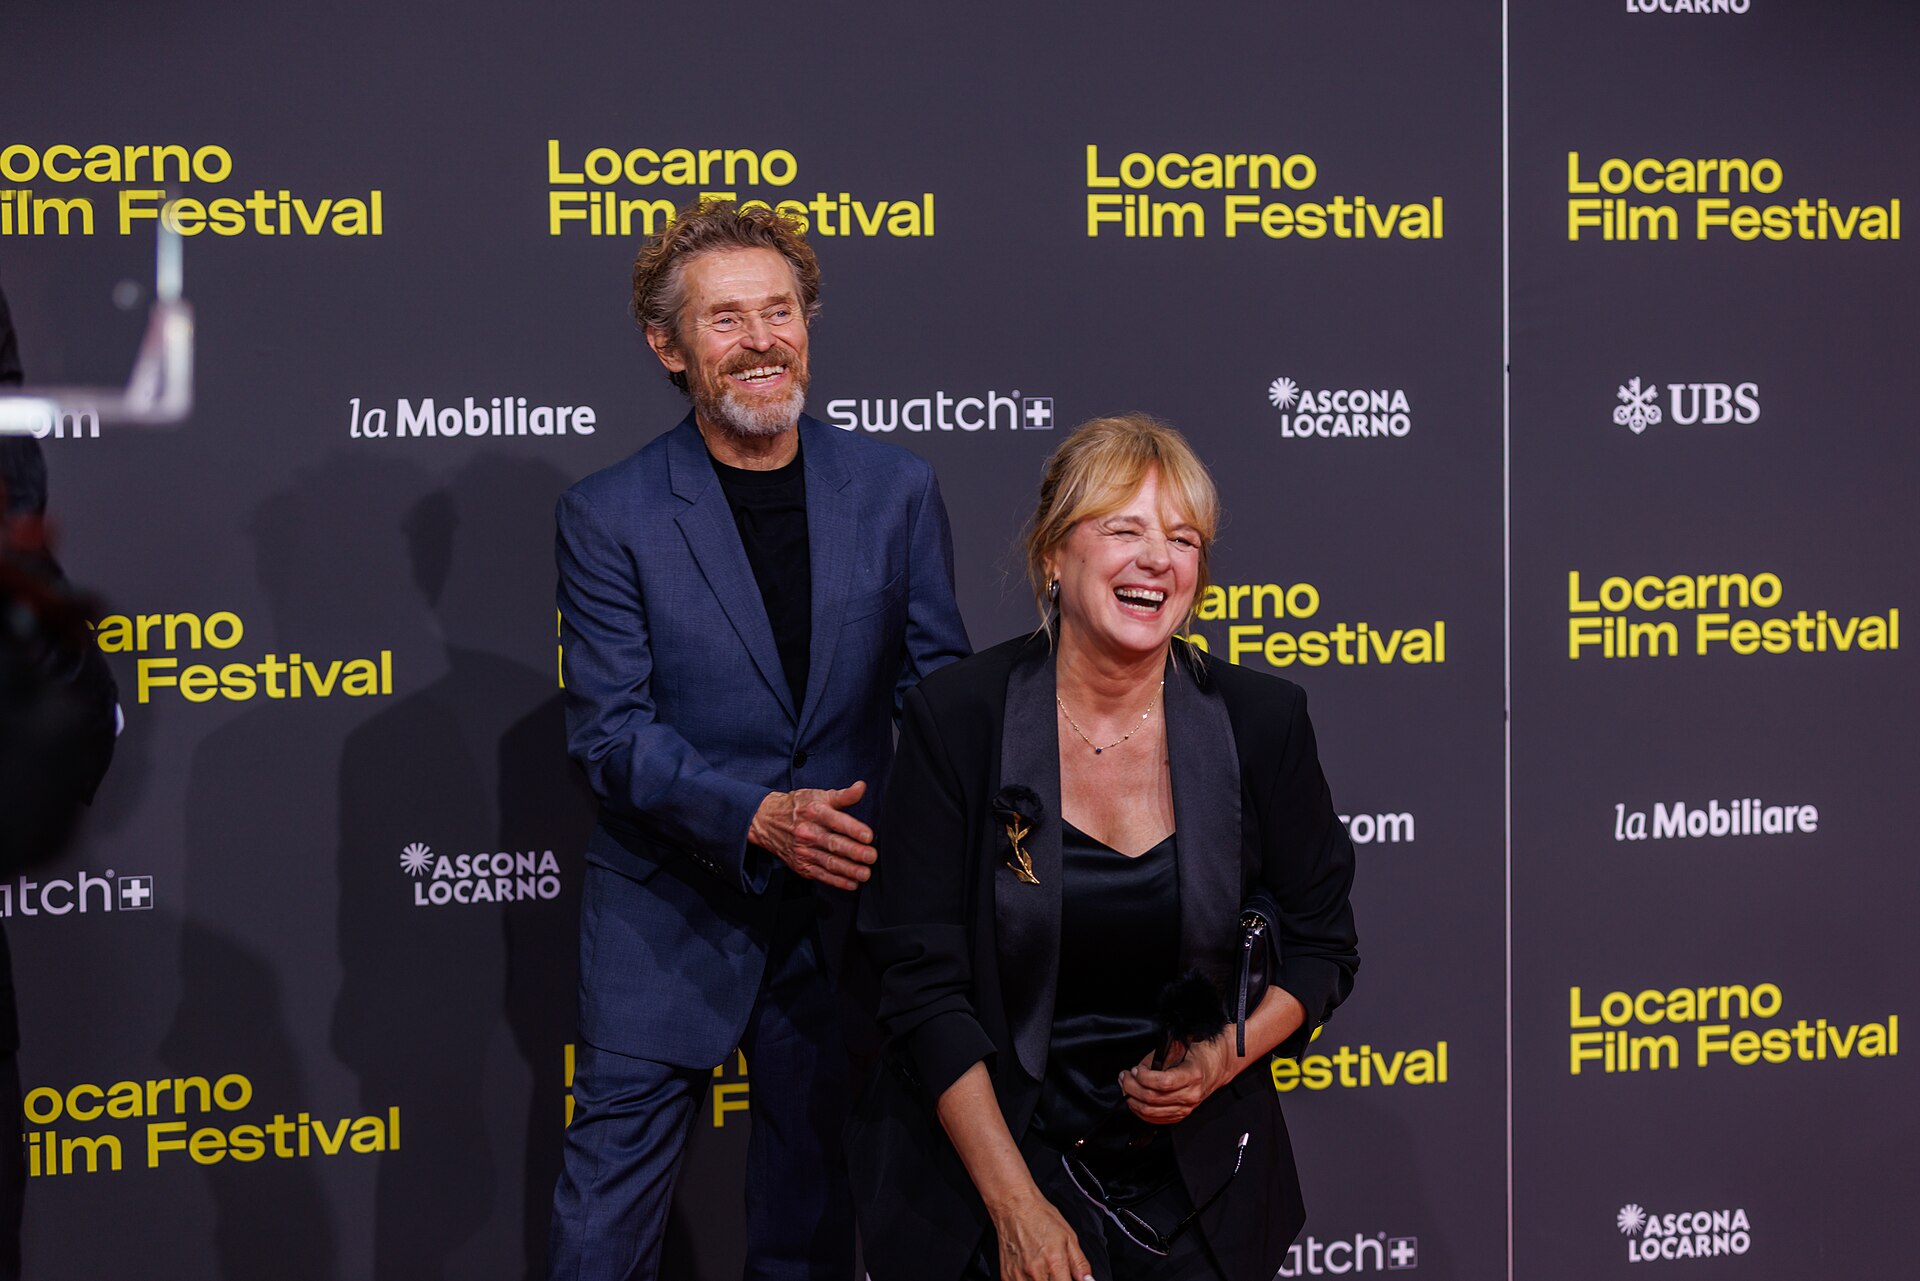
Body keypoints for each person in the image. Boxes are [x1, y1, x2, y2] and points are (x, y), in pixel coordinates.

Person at [550, 200, 971, 1281]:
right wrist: (756, 817)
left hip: (840, 922)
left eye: (779, 311)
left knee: (813, 1225)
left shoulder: (895, 490)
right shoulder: (610, 515)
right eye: (726, 319)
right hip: (664, 916)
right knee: (603, 1232)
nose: (761, 341)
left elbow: (939, 700)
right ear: (670, 347)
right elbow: (610, 734)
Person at [850, 415, 1359, 1281]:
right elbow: (921, 989)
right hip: (998, 1180)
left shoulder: (1263, 721)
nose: (1158, 559)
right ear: (1053, 554)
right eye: (1125, 529)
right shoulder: (958, 720)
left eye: (1183, 539)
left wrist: (1221, 1057)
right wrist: (1016, 1208)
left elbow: (1323, 945)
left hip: (1202, 1193)